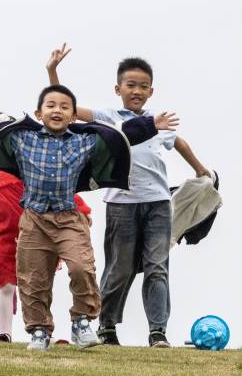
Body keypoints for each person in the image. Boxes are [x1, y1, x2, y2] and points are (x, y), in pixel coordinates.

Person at [0, 86, 176, 351]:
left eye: (64, 107)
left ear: (73, 116)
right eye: (50, 105)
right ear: (39, 112)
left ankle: (81, 321)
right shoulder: (23, 138)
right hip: (34, 219)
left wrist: (152, 124)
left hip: (69, 218)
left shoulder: (83, 141)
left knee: (82, 268)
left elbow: (120, 133)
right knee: (33, 277)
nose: (57, 110)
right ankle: (39, 330)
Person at [47, 45, 212, 347]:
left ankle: (157, 331)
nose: (137, 90)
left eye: (143, 86)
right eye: (131, 85)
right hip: (121, 204)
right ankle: (107, 326)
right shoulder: (107, 117)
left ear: (151, 91)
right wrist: (52, 72)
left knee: (157, 267)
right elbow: (66, 110)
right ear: (118, 88)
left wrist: (202, 171)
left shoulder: (158, 120)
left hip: (158, 204)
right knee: (119, 269)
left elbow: (181, 144)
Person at [0, 170, 91, 342]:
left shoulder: (34, 170)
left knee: (37, 285)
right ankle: (5, 333)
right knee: (5, 285)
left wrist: (80, 207)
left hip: (36, 235)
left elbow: (60, 190)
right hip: (3, 240)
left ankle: (43, 332)